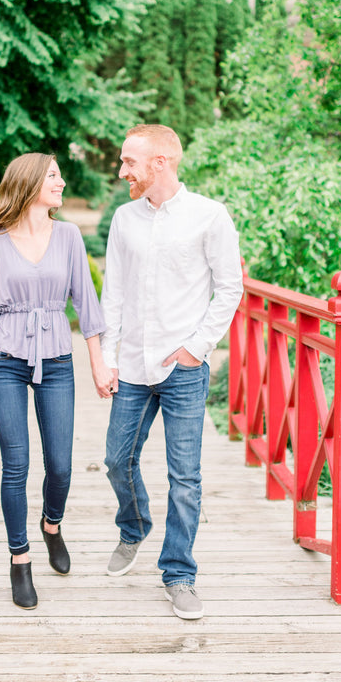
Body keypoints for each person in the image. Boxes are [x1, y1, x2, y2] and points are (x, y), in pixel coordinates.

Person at [97, 124, 244, 620]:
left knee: (185, 478)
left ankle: (179, 574)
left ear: (160, 162)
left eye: (129, 163)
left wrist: (196, 348)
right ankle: (134, 526)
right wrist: (107, 357)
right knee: (117, 460)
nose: (123, 172)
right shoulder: (124, 219)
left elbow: (230, 288)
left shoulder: (209, 216)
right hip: (134, 366)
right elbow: (112, 292)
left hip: (183, 367)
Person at [0, 152, 112, 610]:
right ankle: (20, 560)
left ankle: (52, 525)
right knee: (15, 464)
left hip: (57, 360)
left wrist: (98, 364)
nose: (62, 182)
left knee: (61, 465)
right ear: (30, 183)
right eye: (54, 175)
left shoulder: (68, 236)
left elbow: (86, 306)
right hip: (6, 360)